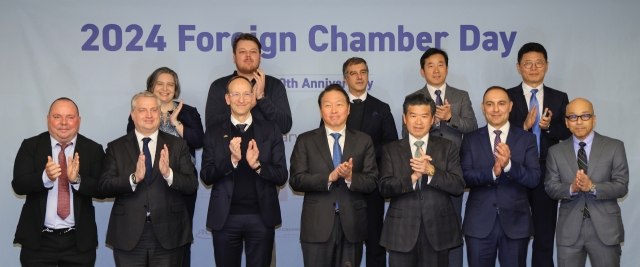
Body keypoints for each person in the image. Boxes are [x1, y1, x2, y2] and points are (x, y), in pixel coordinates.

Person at [99, 91, 198, 267]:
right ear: (133, 114)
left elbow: (191, 184)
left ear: (160, 114)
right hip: (128, 233)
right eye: (143, 110)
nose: (149, 115)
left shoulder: (178, 145)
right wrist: (133, 178)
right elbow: (104, 186)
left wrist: (169, 174)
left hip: (169, 233)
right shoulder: (116, 147)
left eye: (154, 110)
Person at [201, 76, 288, 267]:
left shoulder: (270, 129)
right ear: (227, 99)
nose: (241, 99)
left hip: (261, 217)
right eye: (236, 94)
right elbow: (206, 176)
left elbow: (282, 175)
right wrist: (231, 161)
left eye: (247, 94)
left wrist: (257, 165)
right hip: (225, 219)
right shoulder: (214, 132)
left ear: (253, 97)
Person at [319, 57, 397, 267]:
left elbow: (391, 144)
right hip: (341, 189)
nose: (359, 76)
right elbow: (323, 143)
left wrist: (365, 155)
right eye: (353, 73)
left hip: (371, 187)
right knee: (341, 246)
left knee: (375, 246)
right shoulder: (334, 109)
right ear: (345, 78)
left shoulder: (381, 108)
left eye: (363, 72)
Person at [290, 84, 378, 267]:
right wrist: (328, 178)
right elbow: (296, 179)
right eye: (328, 105)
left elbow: (372, 181)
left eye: (339, 104)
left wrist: (350, 177)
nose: (334, 110)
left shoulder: (363, 140)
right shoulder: (305, 140)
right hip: (317, 225)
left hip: (352, 226)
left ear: (348, 109)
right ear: (321, 109)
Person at [405, 48, 477, 267]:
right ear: (422, 70)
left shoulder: (460, 95)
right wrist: (434, 122)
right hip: (422, 169)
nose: (436, 70)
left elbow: (473, 127)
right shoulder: (414, 99)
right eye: (430, 65)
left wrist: (451, 117)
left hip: (453, 170)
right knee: (424, 225)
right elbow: (405, 134)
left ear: (447, 68)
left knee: (453, 225)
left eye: (440, 65)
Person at [12, 97, 104, 267]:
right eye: (57, 117)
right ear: (48, 119)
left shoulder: (93, 149)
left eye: (70, 117)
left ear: (79, 120)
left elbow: (102, 189)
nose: (63, 123)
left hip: (78, 243)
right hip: (38, 242)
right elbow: (18, 184)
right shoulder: (31, 146)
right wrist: (45, 178)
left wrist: (77, 180)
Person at [126, 67, 204, 267]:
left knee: (180, 238)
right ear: (151, 86)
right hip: (147, 183)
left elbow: (198, 140)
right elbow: (131, 144)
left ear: (176, 88)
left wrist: (175, 122)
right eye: (160, 83)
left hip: (181, 184)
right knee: (147, 236)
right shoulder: (141, 112)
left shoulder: (188, 111)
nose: (165, 88)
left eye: (170, 84)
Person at [379, 94, 465, 267]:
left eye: (424, 116)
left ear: (433, 119)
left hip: (438, 230)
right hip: (401, 231)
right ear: (404, 118)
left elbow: (458, 186)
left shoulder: (447, 147)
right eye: (413, 115)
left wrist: (431, 171)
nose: (418, 122)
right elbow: (384, 188)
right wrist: (412, 178)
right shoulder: (391, 150)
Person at [507, 42, 572, 267]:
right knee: (516, 235)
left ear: (546, 66)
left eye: (538, 63)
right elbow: (497, 129)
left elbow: (569, 129)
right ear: (518, 67)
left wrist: (548, 127)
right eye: (528, 64)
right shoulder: (506, 96)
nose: (533, 68)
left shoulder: (559, 97)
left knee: (544, 235)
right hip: (516, 171)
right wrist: (523, 127)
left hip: (548, 171)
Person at [460, 86, 540, 267]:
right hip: (479, 224)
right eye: (490, 104)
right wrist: (493, 172)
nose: (496, 109)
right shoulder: (471, 139)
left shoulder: (526, 139)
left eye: (501, 104)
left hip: (516, 223)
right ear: (483, 107)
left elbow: (534, 179)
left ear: (510, 106)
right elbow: (464, 177)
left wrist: (509, 166)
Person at [545, 98, 628, 267]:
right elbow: (550, 187)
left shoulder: (614, 146)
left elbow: (621, 186)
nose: (579, 122)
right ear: (567, 123)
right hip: (569, 230)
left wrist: (592, 187)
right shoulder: (555, 151)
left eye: (585, 116)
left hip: (605, 229)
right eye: (573, 117)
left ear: (594, 119)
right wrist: (571, 188)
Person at [205, 33, 292, 134]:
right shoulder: (219, 86)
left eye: (253, 52)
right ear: (234, 57)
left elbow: (285, 126)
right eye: (242, 52)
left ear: (260, 57)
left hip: (265, 149)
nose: (248, 56)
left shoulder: (275, 85)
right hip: (228, 148)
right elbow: (211, 126)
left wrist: (262, 99)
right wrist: (245, 106)